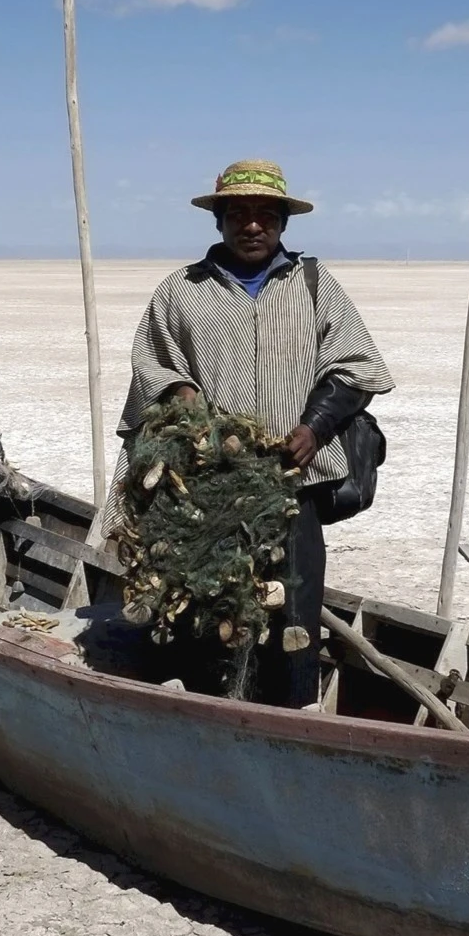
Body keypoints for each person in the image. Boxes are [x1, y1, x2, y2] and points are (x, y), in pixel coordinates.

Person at [120, 159, 395, 708]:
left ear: (283, 224)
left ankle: (295, 717)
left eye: (265, 215)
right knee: (206, 607)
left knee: (294, 614)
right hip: (205, 496)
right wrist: (181, 393)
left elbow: (358, 368)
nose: (252, 226)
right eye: (239, 213)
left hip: (295, 488)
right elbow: (152, 368)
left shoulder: (316, 286)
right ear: (218, 220)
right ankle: (203, 713)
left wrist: (314, 428)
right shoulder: (181, 291)